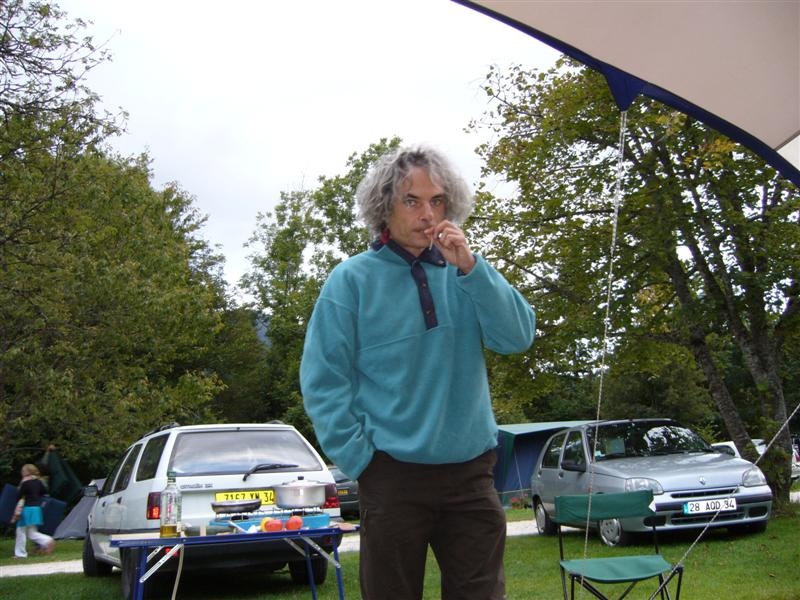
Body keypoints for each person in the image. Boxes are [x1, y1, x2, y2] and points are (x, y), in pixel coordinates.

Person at [300, 145, 536, 599]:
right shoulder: (350, 281)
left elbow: (517, 337)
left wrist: (471, 267)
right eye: (412, 201)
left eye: (437, 201)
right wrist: (362, 460)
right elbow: (323, 380)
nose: (427, 214)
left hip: (470, 472)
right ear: (384, 206)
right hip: (391, 474)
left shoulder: (466, 272)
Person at [11, 464, 55, 558]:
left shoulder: (25, 482)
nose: (22, 473)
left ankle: (20, 554)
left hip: (27, 509)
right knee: (31, 533)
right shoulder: (39, 482)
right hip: (36, 509)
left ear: (27, 472)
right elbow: (44, 492)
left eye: (23, 471)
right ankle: (47, 540)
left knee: (20, 531)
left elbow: (18, 496)